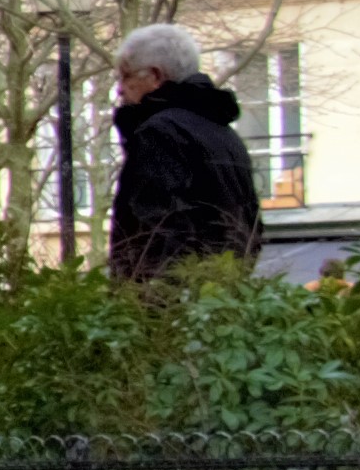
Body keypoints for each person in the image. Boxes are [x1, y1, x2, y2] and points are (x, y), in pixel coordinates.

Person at [106, 22, 266, 282]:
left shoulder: (159, 133)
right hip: (222, 292)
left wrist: (143, 292)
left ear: (155, 76)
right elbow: (250, 226)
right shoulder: (226, 135)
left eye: (125, 75)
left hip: (171, 297)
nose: (120, 89)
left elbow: (155, 233)